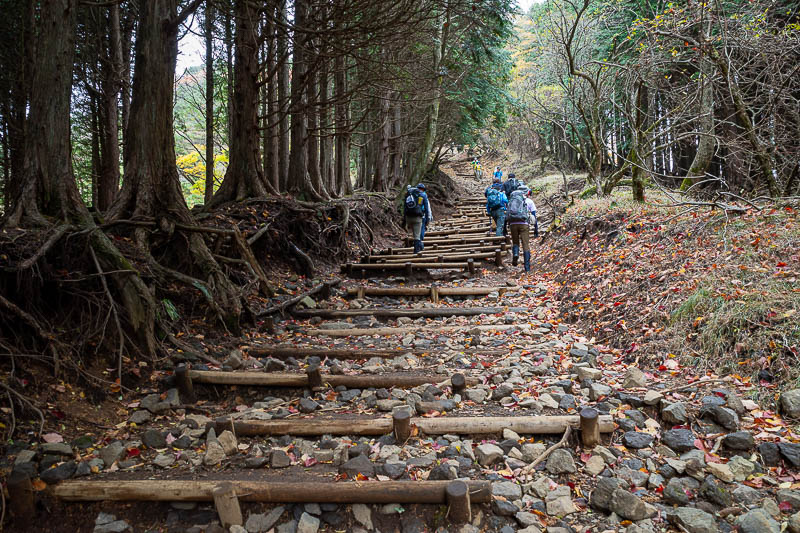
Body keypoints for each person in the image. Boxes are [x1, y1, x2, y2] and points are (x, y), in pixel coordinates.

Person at [506, 184, 536, 272]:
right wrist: (536, 229)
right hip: (524, 223)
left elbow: (507, 214)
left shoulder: (511, 201)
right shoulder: (529, 201)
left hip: (512, 224)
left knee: (515, 242)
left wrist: (505, 227)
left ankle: (515, 254)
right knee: (525, 245)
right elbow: (534, 215)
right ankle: (527, 267)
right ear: (527, 192)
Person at [403, 184, 430, 253]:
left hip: (408, 217)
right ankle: (416, 252)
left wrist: (404, 220)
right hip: (418, 218)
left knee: (414, 233)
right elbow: (427, 209)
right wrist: (427, 220)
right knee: (417, 236)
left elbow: (404, 208)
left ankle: (420, 246)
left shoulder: (408, 194)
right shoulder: (423, 195)